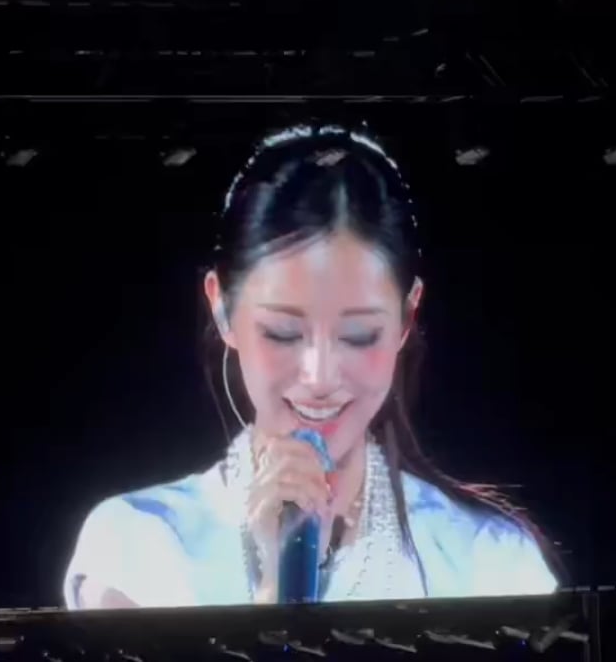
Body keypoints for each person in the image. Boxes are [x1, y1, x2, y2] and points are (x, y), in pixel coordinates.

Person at [63, 124, 561, 609]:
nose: (320, 377)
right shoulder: (141, 548)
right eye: (282, 332)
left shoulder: (489, 561)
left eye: (358, 335)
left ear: (407, 318)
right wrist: (274, 592)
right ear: (222, 308)